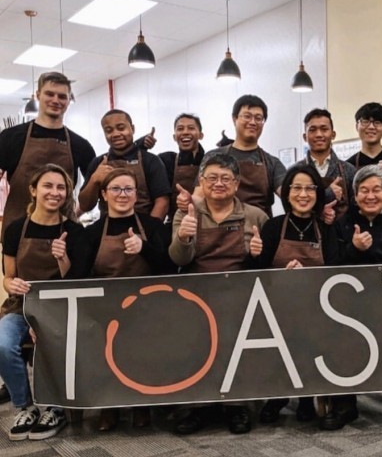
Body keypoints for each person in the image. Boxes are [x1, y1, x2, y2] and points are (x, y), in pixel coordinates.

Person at [169, 154, 268, 434]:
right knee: (197, 350)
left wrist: (257, 255)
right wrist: (184, 238)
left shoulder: (256, 216)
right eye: (212, 177)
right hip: (197, 297)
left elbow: (266, 266)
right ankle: (197, 408)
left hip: (240, 298)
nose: (219, 183)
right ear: (201, 182)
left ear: (236, 184)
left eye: (226, 178)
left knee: (236, 349)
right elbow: (178, 259)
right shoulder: (186, 213)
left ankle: (237, 406)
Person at [73, 168, 174, 431]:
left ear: (136, 195)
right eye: (116, 189)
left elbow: (169, 269)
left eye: (128, 189)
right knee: (104, 345)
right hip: (106, 307)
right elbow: (79, 275)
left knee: (141, 346)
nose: (122, 194)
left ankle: (141, 404)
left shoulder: (152, 227)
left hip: (147, 306)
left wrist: (144, 248)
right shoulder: (92, 232)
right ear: (104, 195)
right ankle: (110, 406)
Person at [324, 165, 382, 431]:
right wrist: (354, 249)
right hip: (346, 306)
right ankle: (344, 407)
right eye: (364, 190)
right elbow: (331, 267)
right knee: (337, 336)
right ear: (355, 195)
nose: (371, 196)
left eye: (377, 190)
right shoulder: (340, 225)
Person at [250, 164, 340, 423]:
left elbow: (335, 272)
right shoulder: (272, 227)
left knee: (309, 333)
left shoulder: (326, 229)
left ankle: (306, 398)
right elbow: (258, 274)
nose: (303, 194)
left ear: (317, 193)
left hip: (317, 306)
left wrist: (307, 277)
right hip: (276, 305)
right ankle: (277, 396)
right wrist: (254, 255)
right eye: (296, 188)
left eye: (309, 189)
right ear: (287, 193)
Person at [0, 164, 83, 440]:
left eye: (61, 187)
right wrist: (11, 284)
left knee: (52, 343)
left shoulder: (73, 231)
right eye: (48, 185)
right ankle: (25, 406)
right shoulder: (15, 229)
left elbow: (76, 281)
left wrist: (62, 258)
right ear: (33, 190)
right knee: (2, 344)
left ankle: (55, 408)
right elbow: (8, 277)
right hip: (21, 306)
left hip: (60, 308)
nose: (54, 192)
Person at [0, 72, 95, 239]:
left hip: (63, 235)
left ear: (69, 100)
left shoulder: (80, 145)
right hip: (17, 233)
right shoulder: (10, 137)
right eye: (50, 94)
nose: (56, 100)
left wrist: (75, 215)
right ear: (38, 95)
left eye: (62, 96)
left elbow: (94, 190)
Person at [186, 95, 285, 217]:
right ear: (234, 119)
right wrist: (189, 201)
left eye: (258, 118)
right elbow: (199, 195)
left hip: (259, 225)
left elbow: (288, 195)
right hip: (218, 225)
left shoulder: (272, 163)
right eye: (247, 116)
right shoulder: (213, 156)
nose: (253, 122)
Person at [78, 109, 171, 221]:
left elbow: (162, 202)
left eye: (121, 128)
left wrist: (151, 229)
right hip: (106, 229)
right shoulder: (98, 163)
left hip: (144, 226)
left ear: (132, 128)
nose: (116, 134)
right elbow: (85, 206)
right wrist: (94, 180)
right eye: (109, 130)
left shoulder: (151, 161)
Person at [294, 108, 356, 219]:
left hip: (342, 230)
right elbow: (292, 209)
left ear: (333, 134)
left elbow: (356, 209)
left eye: (324, 129)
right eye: (312, 130)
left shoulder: (349, 170)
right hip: (306, 229)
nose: (319, 134)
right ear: (305, 137)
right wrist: (328, 194)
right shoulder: (295, 171)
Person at [158, 113, 205, 225]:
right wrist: (142, 145)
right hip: (174, 224)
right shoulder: (166, 160)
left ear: (201, 135)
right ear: (174, 137)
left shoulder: (210, 161)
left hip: (206, 223)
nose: (185, 132)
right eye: (180, 129)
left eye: (191, 128)